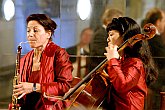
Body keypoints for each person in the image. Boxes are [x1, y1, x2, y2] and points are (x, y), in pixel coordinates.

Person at [12, 14, 73, 110]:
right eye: (28, 30)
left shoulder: (59, 53)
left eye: (35, 30)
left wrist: (34, 87)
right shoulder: (25, 59)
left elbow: (65, 86)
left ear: (48, 34)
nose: (30, 34)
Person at [103, 17, 158, 110]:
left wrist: (112, 60)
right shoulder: (122, 60)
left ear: (124, 36)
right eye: (108, 35)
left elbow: (122, 85)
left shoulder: (136, 63)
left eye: (111, 35)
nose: (108, 39)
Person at [142, 8, 165, 110]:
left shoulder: (154, 38)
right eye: (164, 20)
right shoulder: (155, 39)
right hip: (154, 85)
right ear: (158, 22)